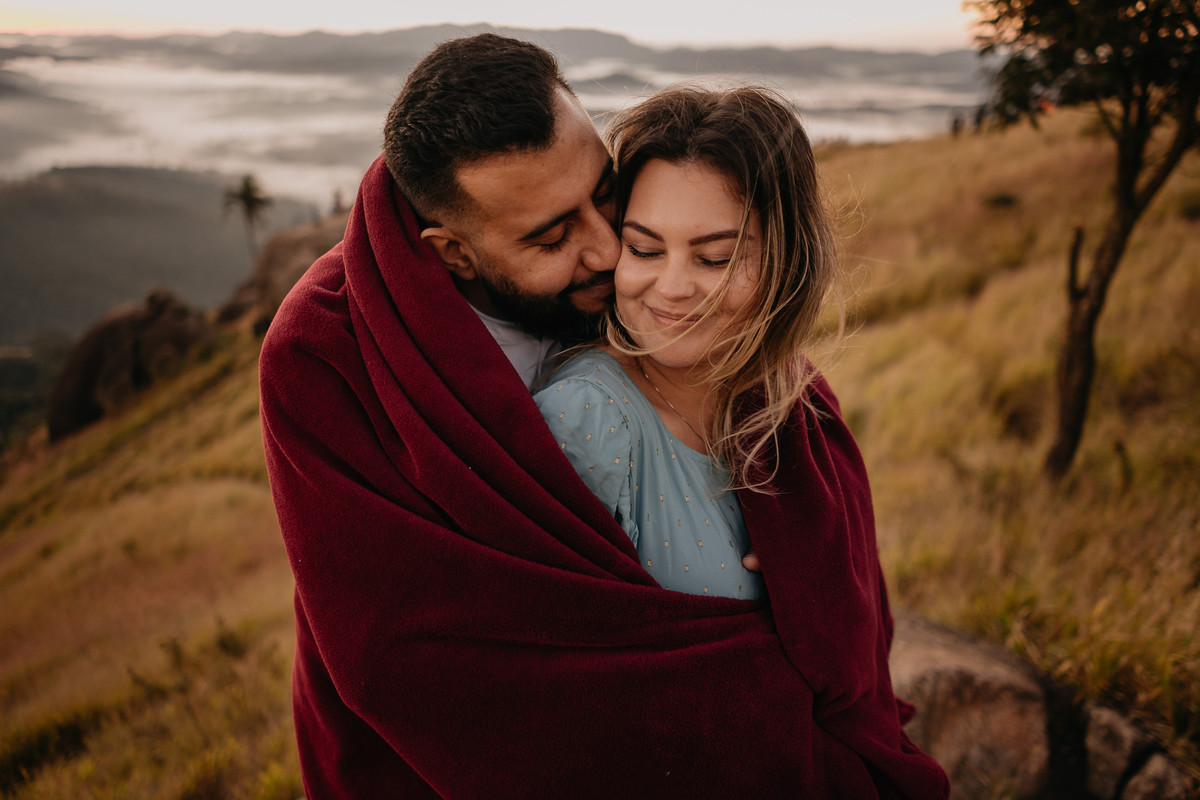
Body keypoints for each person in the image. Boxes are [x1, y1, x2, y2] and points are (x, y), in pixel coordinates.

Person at [260, 33, 949, 798]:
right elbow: (400, 641)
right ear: (454, 253)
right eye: (554, 235)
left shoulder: (632, 284)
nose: (606, 251)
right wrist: (757, 676)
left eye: (605, 195)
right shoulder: (325, 353)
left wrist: (794, 544)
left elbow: (749, 384)